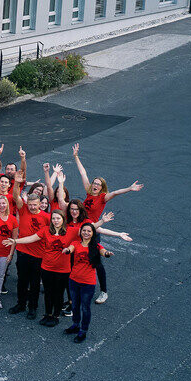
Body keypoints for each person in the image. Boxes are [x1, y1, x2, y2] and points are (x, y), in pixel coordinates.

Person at [71, 143, 142, 303]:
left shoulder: (103, 197)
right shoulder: (89, 192)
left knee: (96, 263)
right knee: (75, 256)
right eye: (94, 183)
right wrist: (76, 157)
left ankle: (103, 291)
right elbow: (83, 173)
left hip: (93, 231)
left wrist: (130, 189)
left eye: (98, 184)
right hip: (80, 228)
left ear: (102, 187)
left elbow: (116, 192)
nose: (95, 185)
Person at [63, 222, 111, 342]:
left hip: (88, 284)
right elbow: (70, 249)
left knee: (85, 308)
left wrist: (107, 254)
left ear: (93, 233)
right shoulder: (75, 243)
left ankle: (83, 331)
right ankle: (75, 325)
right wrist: (67, 250)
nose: (86, 233)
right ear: (81, 232)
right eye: (84, 230)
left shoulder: (96, 246)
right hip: (73, 280)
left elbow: (103, 251)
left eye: (89, 231)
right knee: (74, 305)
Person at [10, 170, 49, 318]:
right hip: (23, 252)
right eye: (30, 204)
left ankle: (32, 307)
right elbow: (15, 196)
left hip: (38, 255)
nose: (32, 207)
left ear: (40, 204)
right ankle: (21, 304)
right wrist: (17, 183)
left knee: (34, 284)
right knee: (22, 280)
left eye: (35, 205)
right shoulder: (24, 209)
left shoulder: (46, 217)